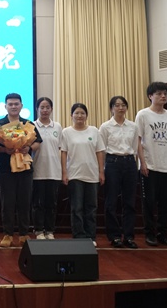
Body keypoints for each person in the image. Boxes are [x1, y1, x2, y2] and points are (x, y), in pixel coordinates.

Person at [136, 82, 167, 247]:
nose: (163, 96)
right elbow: (138, 140)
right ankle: (150, 234)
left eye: (165, 93)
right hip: (150, 165)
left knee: (166, 203)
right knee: (149, 202)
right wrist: (142, 162)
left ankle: (163, 233)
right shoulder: (143, 115)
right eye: (159, 93)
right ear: (150, 96)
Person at [0, 93, 42, 247]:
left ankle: (23, 233)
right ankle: (7, 234)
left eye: (16, 104)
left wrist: (29, 148)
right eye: (10, 104)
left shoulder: (28, 124)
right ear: (5, 106)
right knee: (7, 202)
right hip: (6, 169)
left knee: (24, 201)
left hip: (25, 169)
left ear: (21, 106)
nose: (13, 106)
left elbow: (38, 142)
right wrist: (4, 150)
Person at [60, 103, 105, 244]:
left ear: (86, 116)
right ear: (71, 115)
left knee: (91, 208)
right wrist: (64, 172)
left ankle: (91, 236)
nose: (79, 116)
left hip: (92, 175)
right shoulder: (66, 132)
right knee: (77, 208)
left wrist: (101, 171)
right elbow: (63, 153)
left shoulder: (94, 131)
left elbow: (99, 152)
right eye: (77, 113)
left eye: (82, 113)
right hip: (74, 175)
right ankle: (79, 236)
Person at [100, 96, 139, 249]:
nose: (120, 108)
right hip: (112, 163)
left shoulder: (133, 126)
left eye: (123, 105)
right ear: (111, 108)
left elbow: (135, 147)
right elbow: (102, 149)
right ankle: (114, 236)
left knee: (129, 202)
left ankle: (128, 236)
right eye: (117, 105)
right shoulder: (105, 127)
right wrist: (102, 169)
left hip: (129, 162)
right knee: (111, 202)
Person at [32, 97, 62, 240]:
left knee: (51, 203)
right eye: (42, 107)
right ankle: (38, 230)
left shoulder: (57, 127)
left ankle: (49, 230)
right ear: (37, 109)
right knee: (38, 203)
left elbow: (61, 148)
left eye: (47, 107)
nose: (45, 110)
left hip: (54, 171)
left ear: (51, 109)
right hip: (37, 170)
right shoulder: (32, 126)